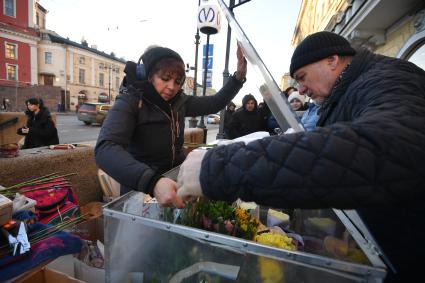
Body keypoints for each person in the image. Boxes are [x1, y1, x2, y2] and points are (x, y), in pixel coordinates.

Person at [176, 31, 425, 282]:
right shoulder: (348, 90)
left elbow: (380, 147)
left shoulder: (389, 79)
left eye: (302, 77)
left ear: (332, 60)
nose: (302, 89)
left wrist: (220, 168)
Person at [95, 45, 247, 208]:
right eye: (165, 78)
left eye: (177, 81)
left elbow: (214, 103)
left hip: (175, 180)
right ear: (149, 75)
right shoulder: (130, 101)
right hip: (141, 190)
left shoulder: (180, 102)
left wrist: (238, 78)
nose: (172, 87)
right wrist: (153, 182)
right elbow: (105, 149)